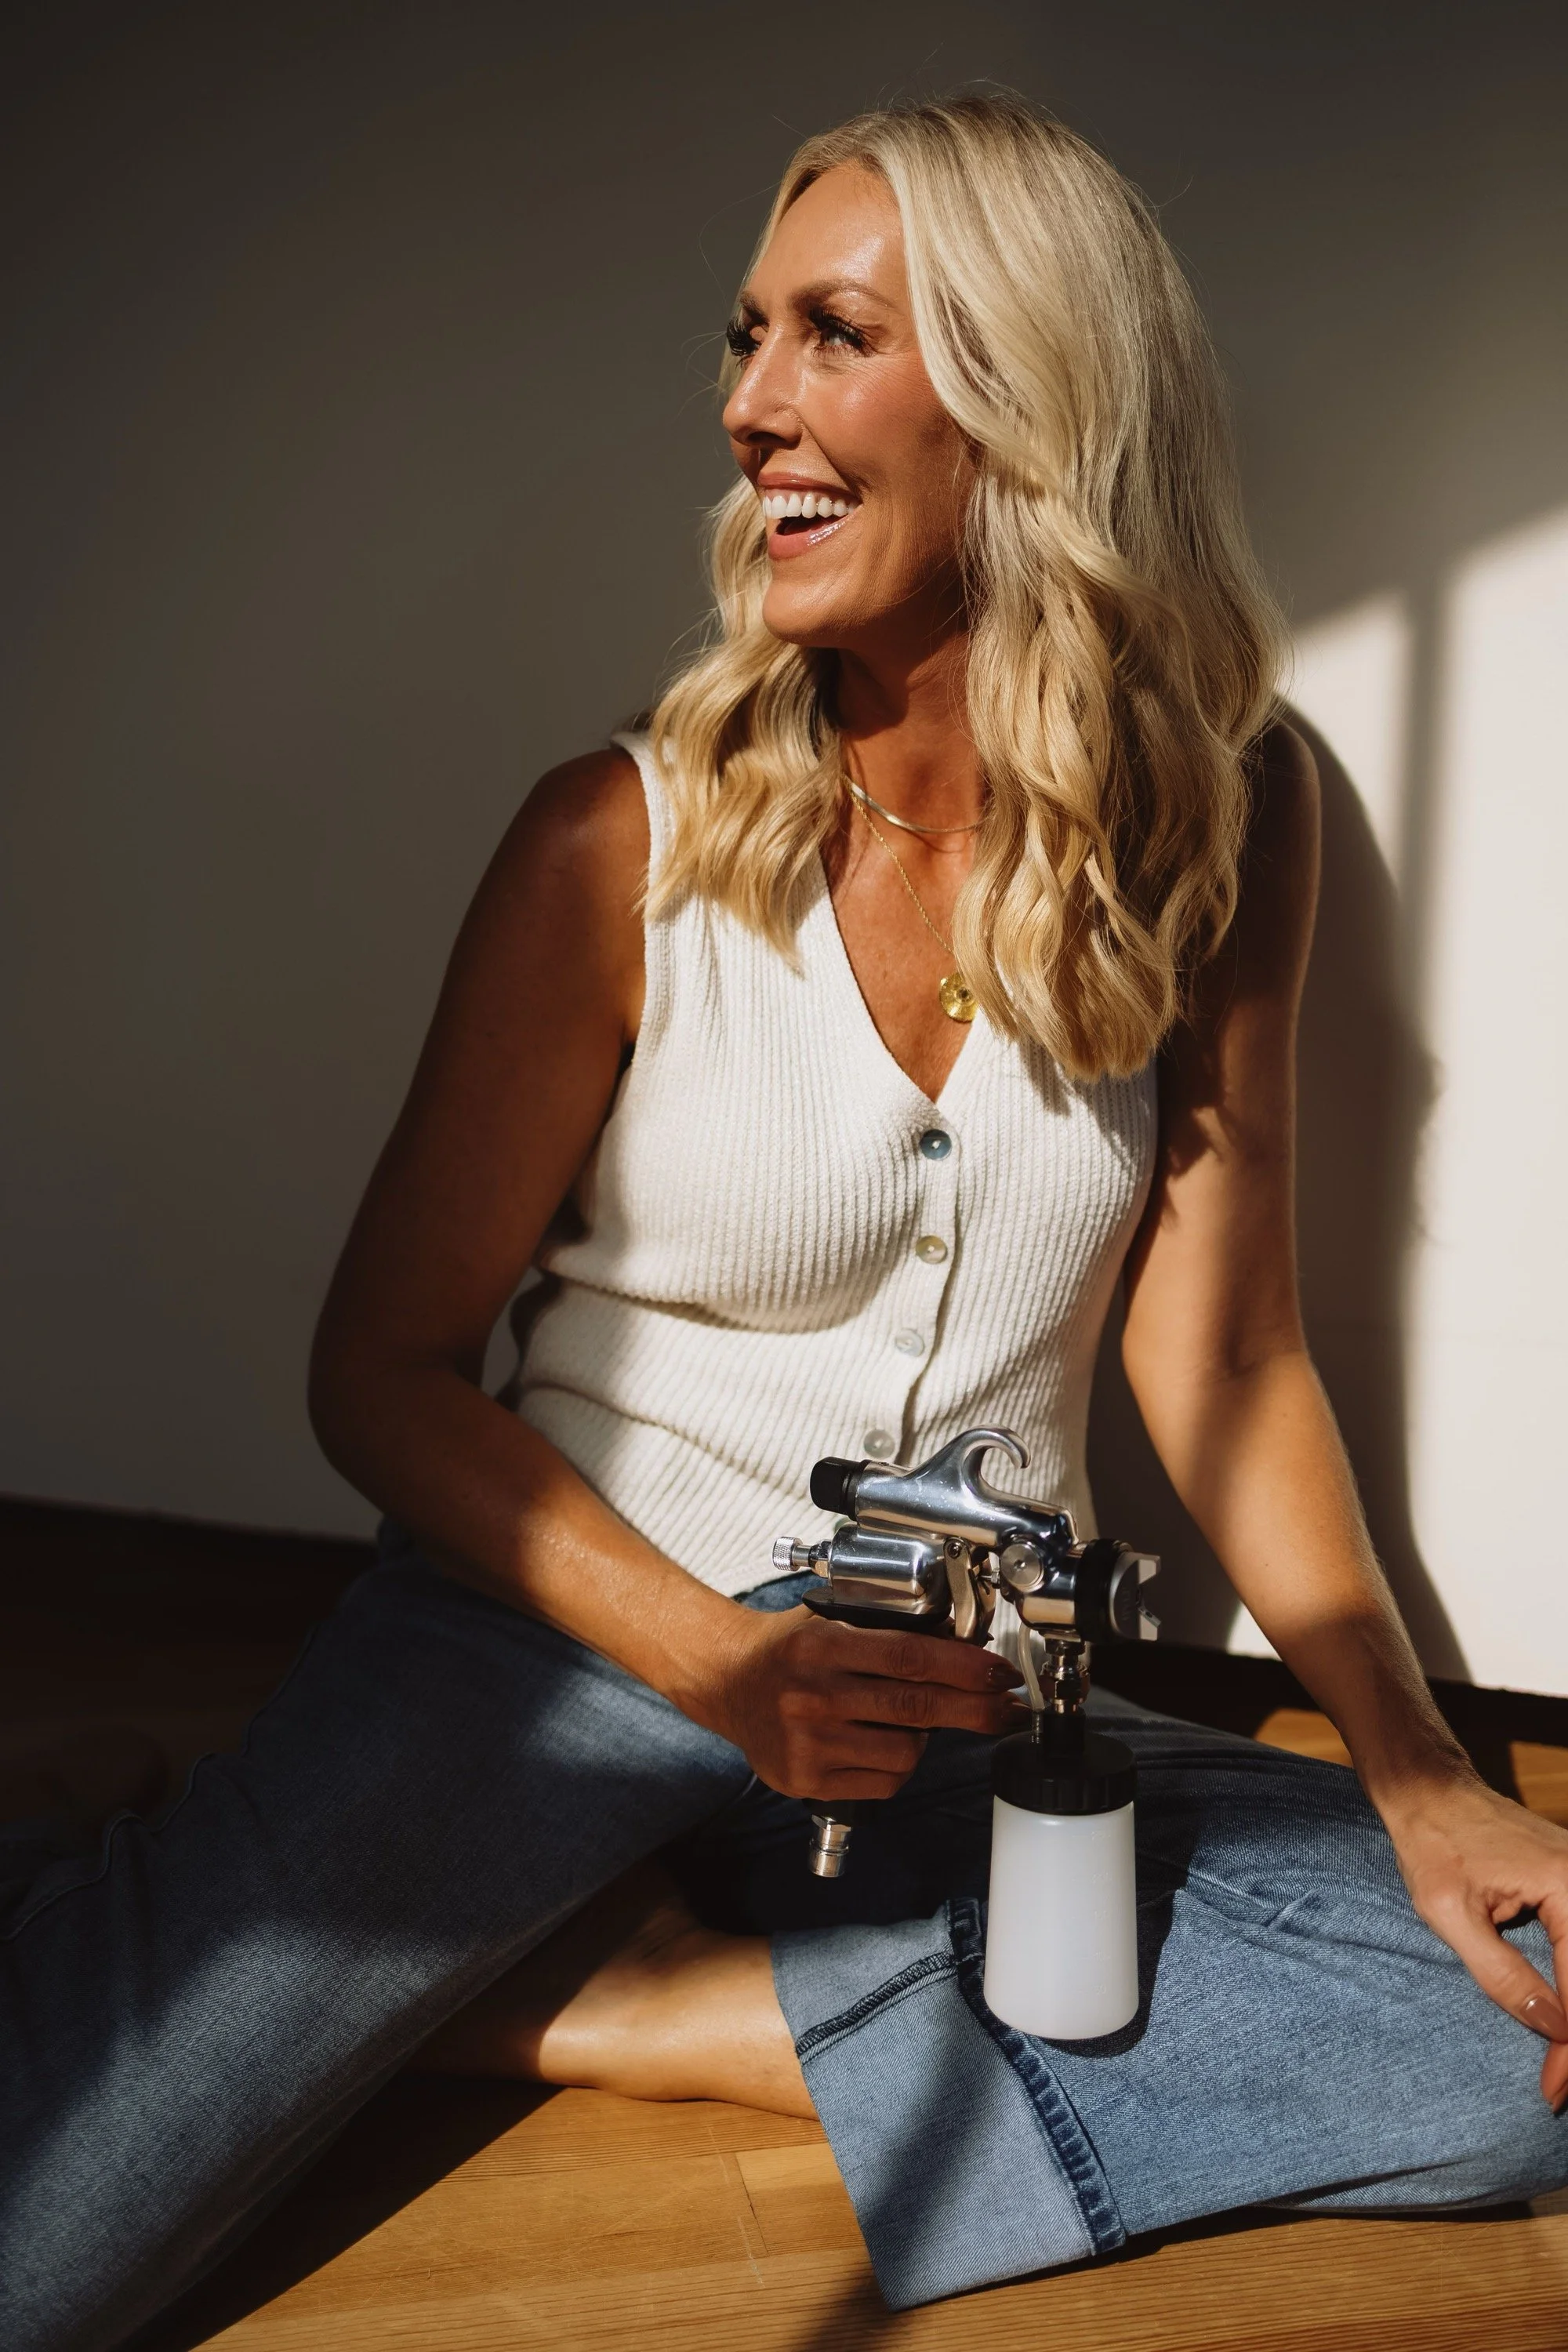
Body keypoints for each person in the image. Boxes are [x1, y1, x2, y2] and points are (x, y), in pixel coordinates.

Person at [3, 93, 1566, 2352]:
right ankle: (271, 1910)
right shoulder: (607, 841)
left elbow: (1216, 1360)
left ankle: (601, 1994)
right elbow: (383, 1371)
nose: (750, 407)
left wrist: (1424, 1779)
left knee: (1501, 2052)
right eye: (749, 341)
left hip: (964, 1691)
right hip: (552, 1652)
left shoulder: (1228, 814)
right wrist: (713, 1670)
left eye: (835, 337)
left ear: (1029, 402)